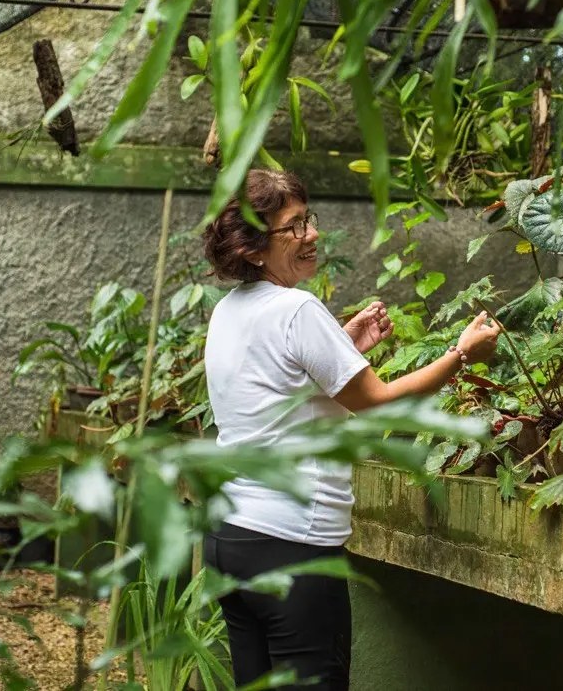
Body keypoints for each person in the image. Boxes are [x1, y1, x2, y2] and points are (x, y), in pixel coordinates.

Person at [200, 168, 501, 691]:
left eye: (307, 220)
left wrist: (340, 346)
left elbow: (279, 390)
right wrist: (460, 354)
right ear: (252, 249)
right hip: (293, 547)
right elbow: (379, 405)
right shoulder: (296, 309)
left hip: (232, 538)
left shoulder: (229, 312)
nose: (311, 234)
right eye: (293, 227)